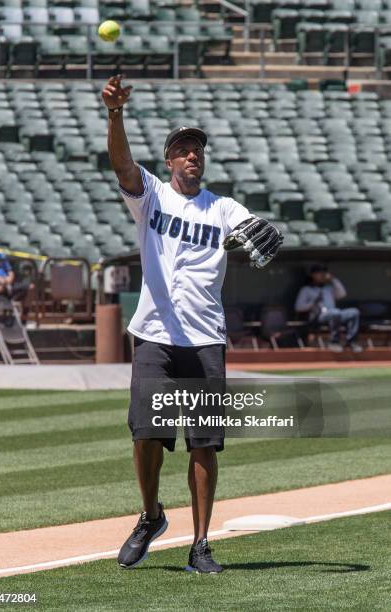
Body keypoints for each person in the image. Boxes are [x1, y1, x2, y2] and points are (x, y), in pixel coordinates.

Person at [102, 75, 283, 574]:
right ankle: (151, 515)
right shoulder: (152, 196)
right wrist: (115, 114)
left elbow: (249, 227)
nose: (191, 155)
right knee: (145, 433)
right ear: (168, 160)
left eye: (196, 149)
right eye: (182, 149)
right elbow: (120, 163)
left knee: (203, 444)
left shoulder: (221, 207)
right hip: (155, 335)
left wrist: (259, 230)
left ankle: (200, 544)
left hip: (205, 339)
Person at [294, 263, 362, 352]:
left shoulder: (328, 288)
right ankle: (334, 342)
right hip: (317, 317)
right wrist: (313, 302)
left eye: (324, 273)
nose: (322, 275)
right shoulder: (306, 289)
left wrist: (333, 279)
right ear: (313, 275)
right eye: (319, 273)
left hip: (334, 314)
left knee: (354, 312)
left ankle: (351, 341)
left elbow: (342, 294)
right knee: (335, 312)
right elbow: (298, 307)